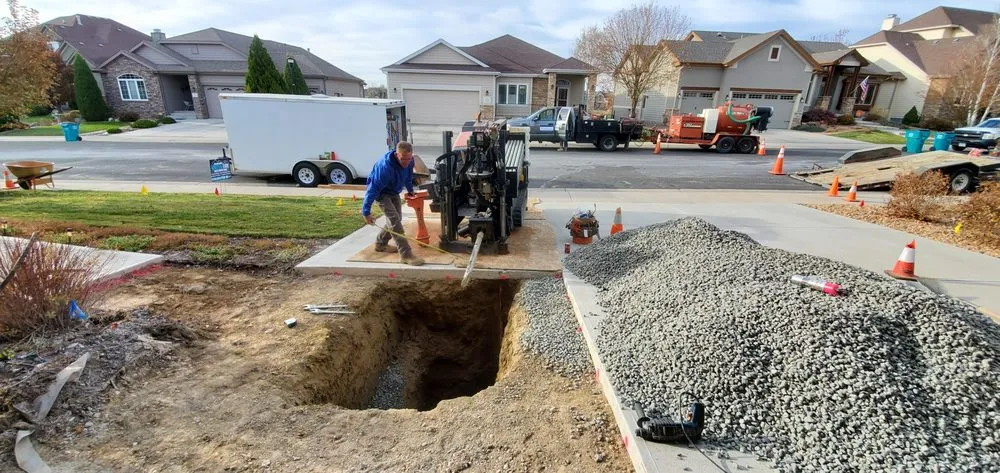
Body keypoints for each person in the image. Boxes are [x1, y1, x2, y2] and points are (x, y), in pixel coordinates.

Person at [361, 141, 425, 266]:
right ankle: (406, 255)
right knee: (395, 221)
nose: (406, 162)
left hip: (394, 191)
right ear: (396, 155)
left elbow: (407, 176)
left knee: (396, 219)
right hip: (381, 193)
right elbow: (372, 190)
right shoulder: (385, 168)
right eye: (403, 159)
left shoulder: (409, 161)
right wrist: (366, 212)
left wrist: (411, 190)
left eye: (408, 159)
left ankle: (381, 244)